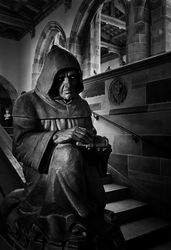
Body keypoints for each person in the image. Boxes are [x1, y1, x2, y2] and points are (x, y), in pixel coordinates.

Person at [5, 45, 124, 249]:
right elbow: (20, 145)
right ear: (49, 79)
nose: (68, 84)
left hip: (81, 170)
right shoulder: (27, 102)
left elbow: (90, 135)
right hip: (42, 171)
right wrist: (56, 136)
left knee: (76, 154)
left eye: (72, 77)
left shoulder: (82, 105)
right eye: (61, 78)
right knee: (67, 153)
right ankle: (77, 217)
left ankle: (88, 212)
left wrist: (97, 144)